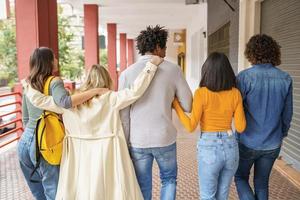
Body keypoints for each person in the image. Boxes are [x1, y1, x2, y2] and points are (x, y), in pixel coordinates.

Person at [23, 56, 164, 200]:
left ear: (87, 79)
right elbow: (135, 91)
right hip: (109, 152)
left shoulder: (70, 103)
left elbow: (40, 100)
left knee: (80, 189)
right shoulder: (111, 98)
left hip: (78, 155)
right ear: (107, 79)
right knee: (112, 189)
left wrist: (27, 86)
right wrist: (150, 66)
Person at [19, 47, 106, 200]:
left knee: (38, 192)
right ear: (48, 62)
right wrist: (95, 91)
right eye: (54, 57)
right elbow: (65, 102)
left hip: (25, 143)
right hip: (45, 144)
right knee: (53, 191)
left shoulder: (29, 84)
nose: (57, 60)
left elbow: (25, 119)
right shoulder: (54, 81)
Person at [118, 25, 192, 200]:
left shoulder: (126, 74)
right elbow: (188, 105)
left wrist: (127, 142)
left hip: (138, 140)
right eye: (164, 47)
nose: (165, 51)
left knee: (142, 184)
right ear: (158, 47)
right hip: (164, 137)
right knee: (169, 179)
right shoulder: (173, 70)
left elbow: (123, 114)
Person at [173, 52, 246, 200]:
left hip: (209, 148)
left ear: (206, 71)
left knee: (207, 196)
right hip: (231, 146)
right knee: (222, 194)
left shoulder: (201, 93)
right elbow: (240, 127)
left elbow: (191, 126)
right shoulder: (235, 94)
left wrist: (176, 105)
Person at [234, 34, 293, 200]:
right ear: (274, 52)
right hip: (272, 143)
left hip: (247, 140)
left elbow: (236, 110)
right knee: (262, 182)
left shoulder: (244, 77)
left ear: (251, 53)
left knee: (240, 177)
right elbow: (287, 113)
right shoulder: (285, 78)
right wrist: (282, 133)